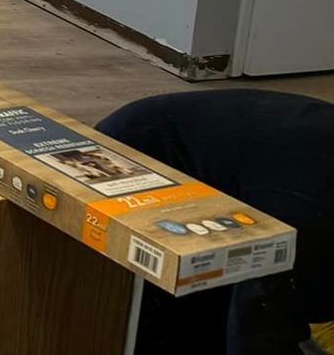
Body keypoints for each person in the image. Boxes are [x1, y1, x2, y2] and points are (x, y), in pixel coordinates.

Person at [98, 90, 333, 353]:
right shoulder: (307, 234)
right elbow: (258, 323)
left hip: (237, 167)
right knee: (172, 329)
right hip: (134, 161)